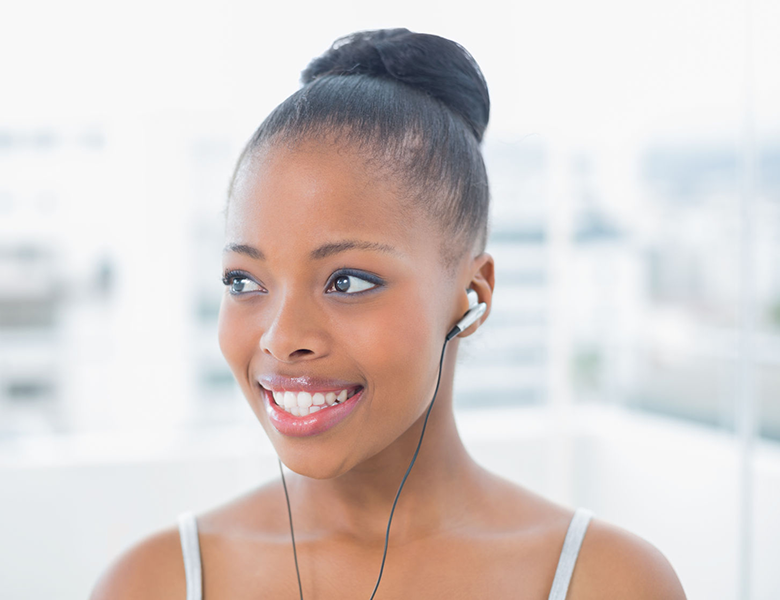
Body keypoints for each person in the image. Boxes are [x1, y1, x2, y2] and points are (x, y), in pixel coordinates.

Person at [91, 28, 687, 599]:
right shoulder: (152, 583)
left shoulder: (609, 582)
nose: (282, 338)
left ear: (474, 292)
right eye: (244, 280)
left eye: (347, 281)